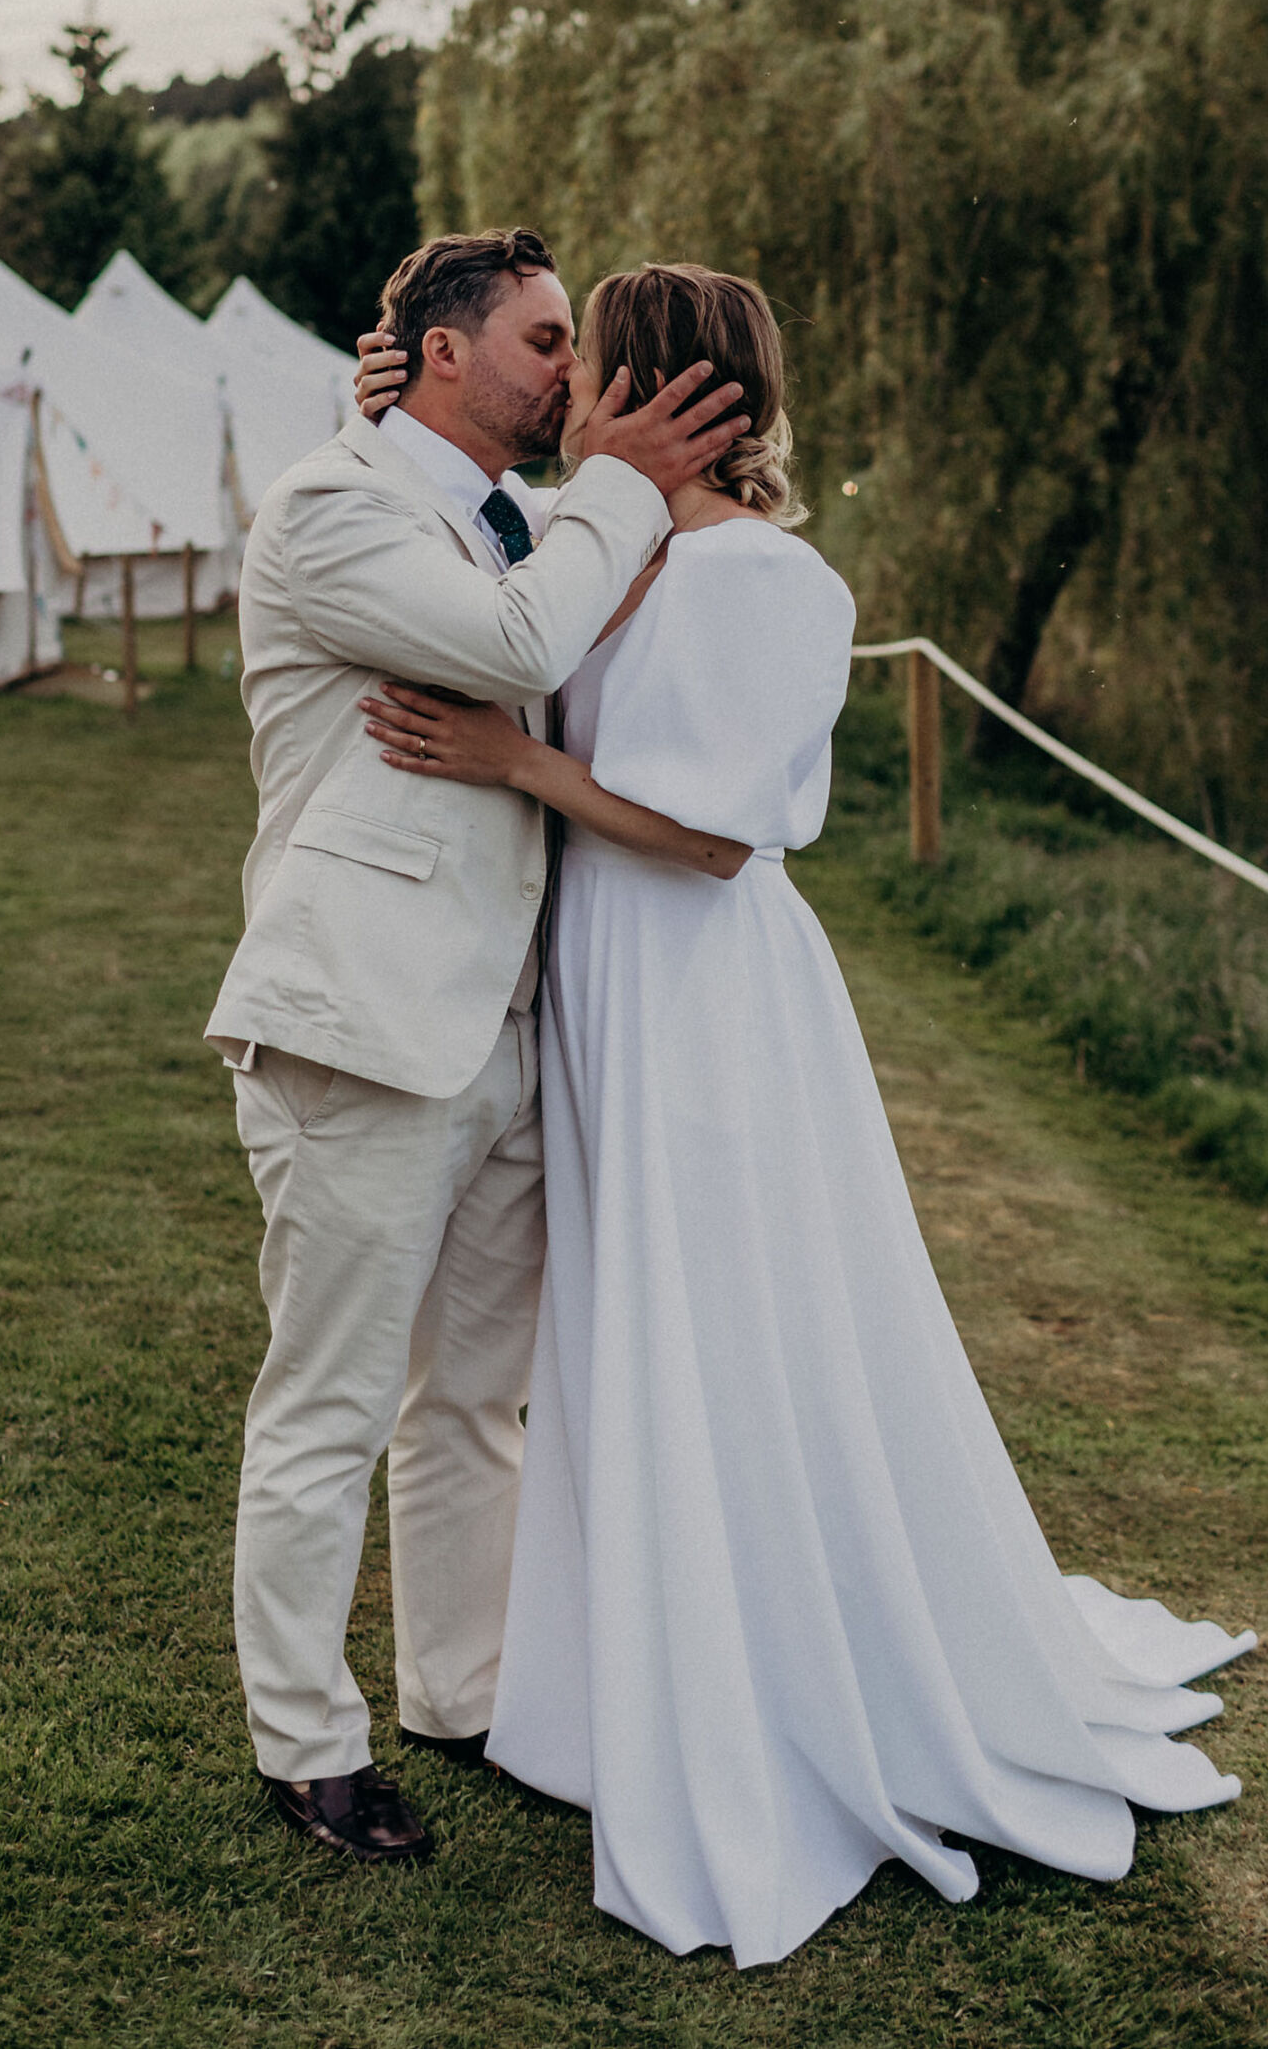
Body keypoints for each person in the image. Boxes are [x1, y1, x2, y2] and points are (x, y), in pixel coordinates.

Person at [355, 261, 1255, 1965]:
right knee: (618, 1336)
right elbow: (462, 543)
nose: (570, 394)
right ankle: (618, 1668)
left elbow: (714, 835)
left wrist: (519, 766)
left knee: (724, 1333)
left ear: (672, 389)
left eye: (595, 361)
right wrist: (388, 393)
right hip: (603, 987)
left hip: (701, 1000)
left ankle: (771, 1672)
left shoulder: (769, 579)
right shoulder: (599, 544)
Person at [204, 228, 750, 1866]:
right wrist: (629, 483)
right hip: (365, 1026)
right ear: (444, 354)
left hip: (508, 1031)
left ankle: (468, 1692)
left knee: (475, 1406)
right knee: (331, 1407)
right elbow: (517, 651)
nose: (572, 372)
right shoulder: (332, 508)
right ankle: (307, 1749)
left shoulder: (509, 511)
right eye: (543, 338)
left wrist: (617, 502)